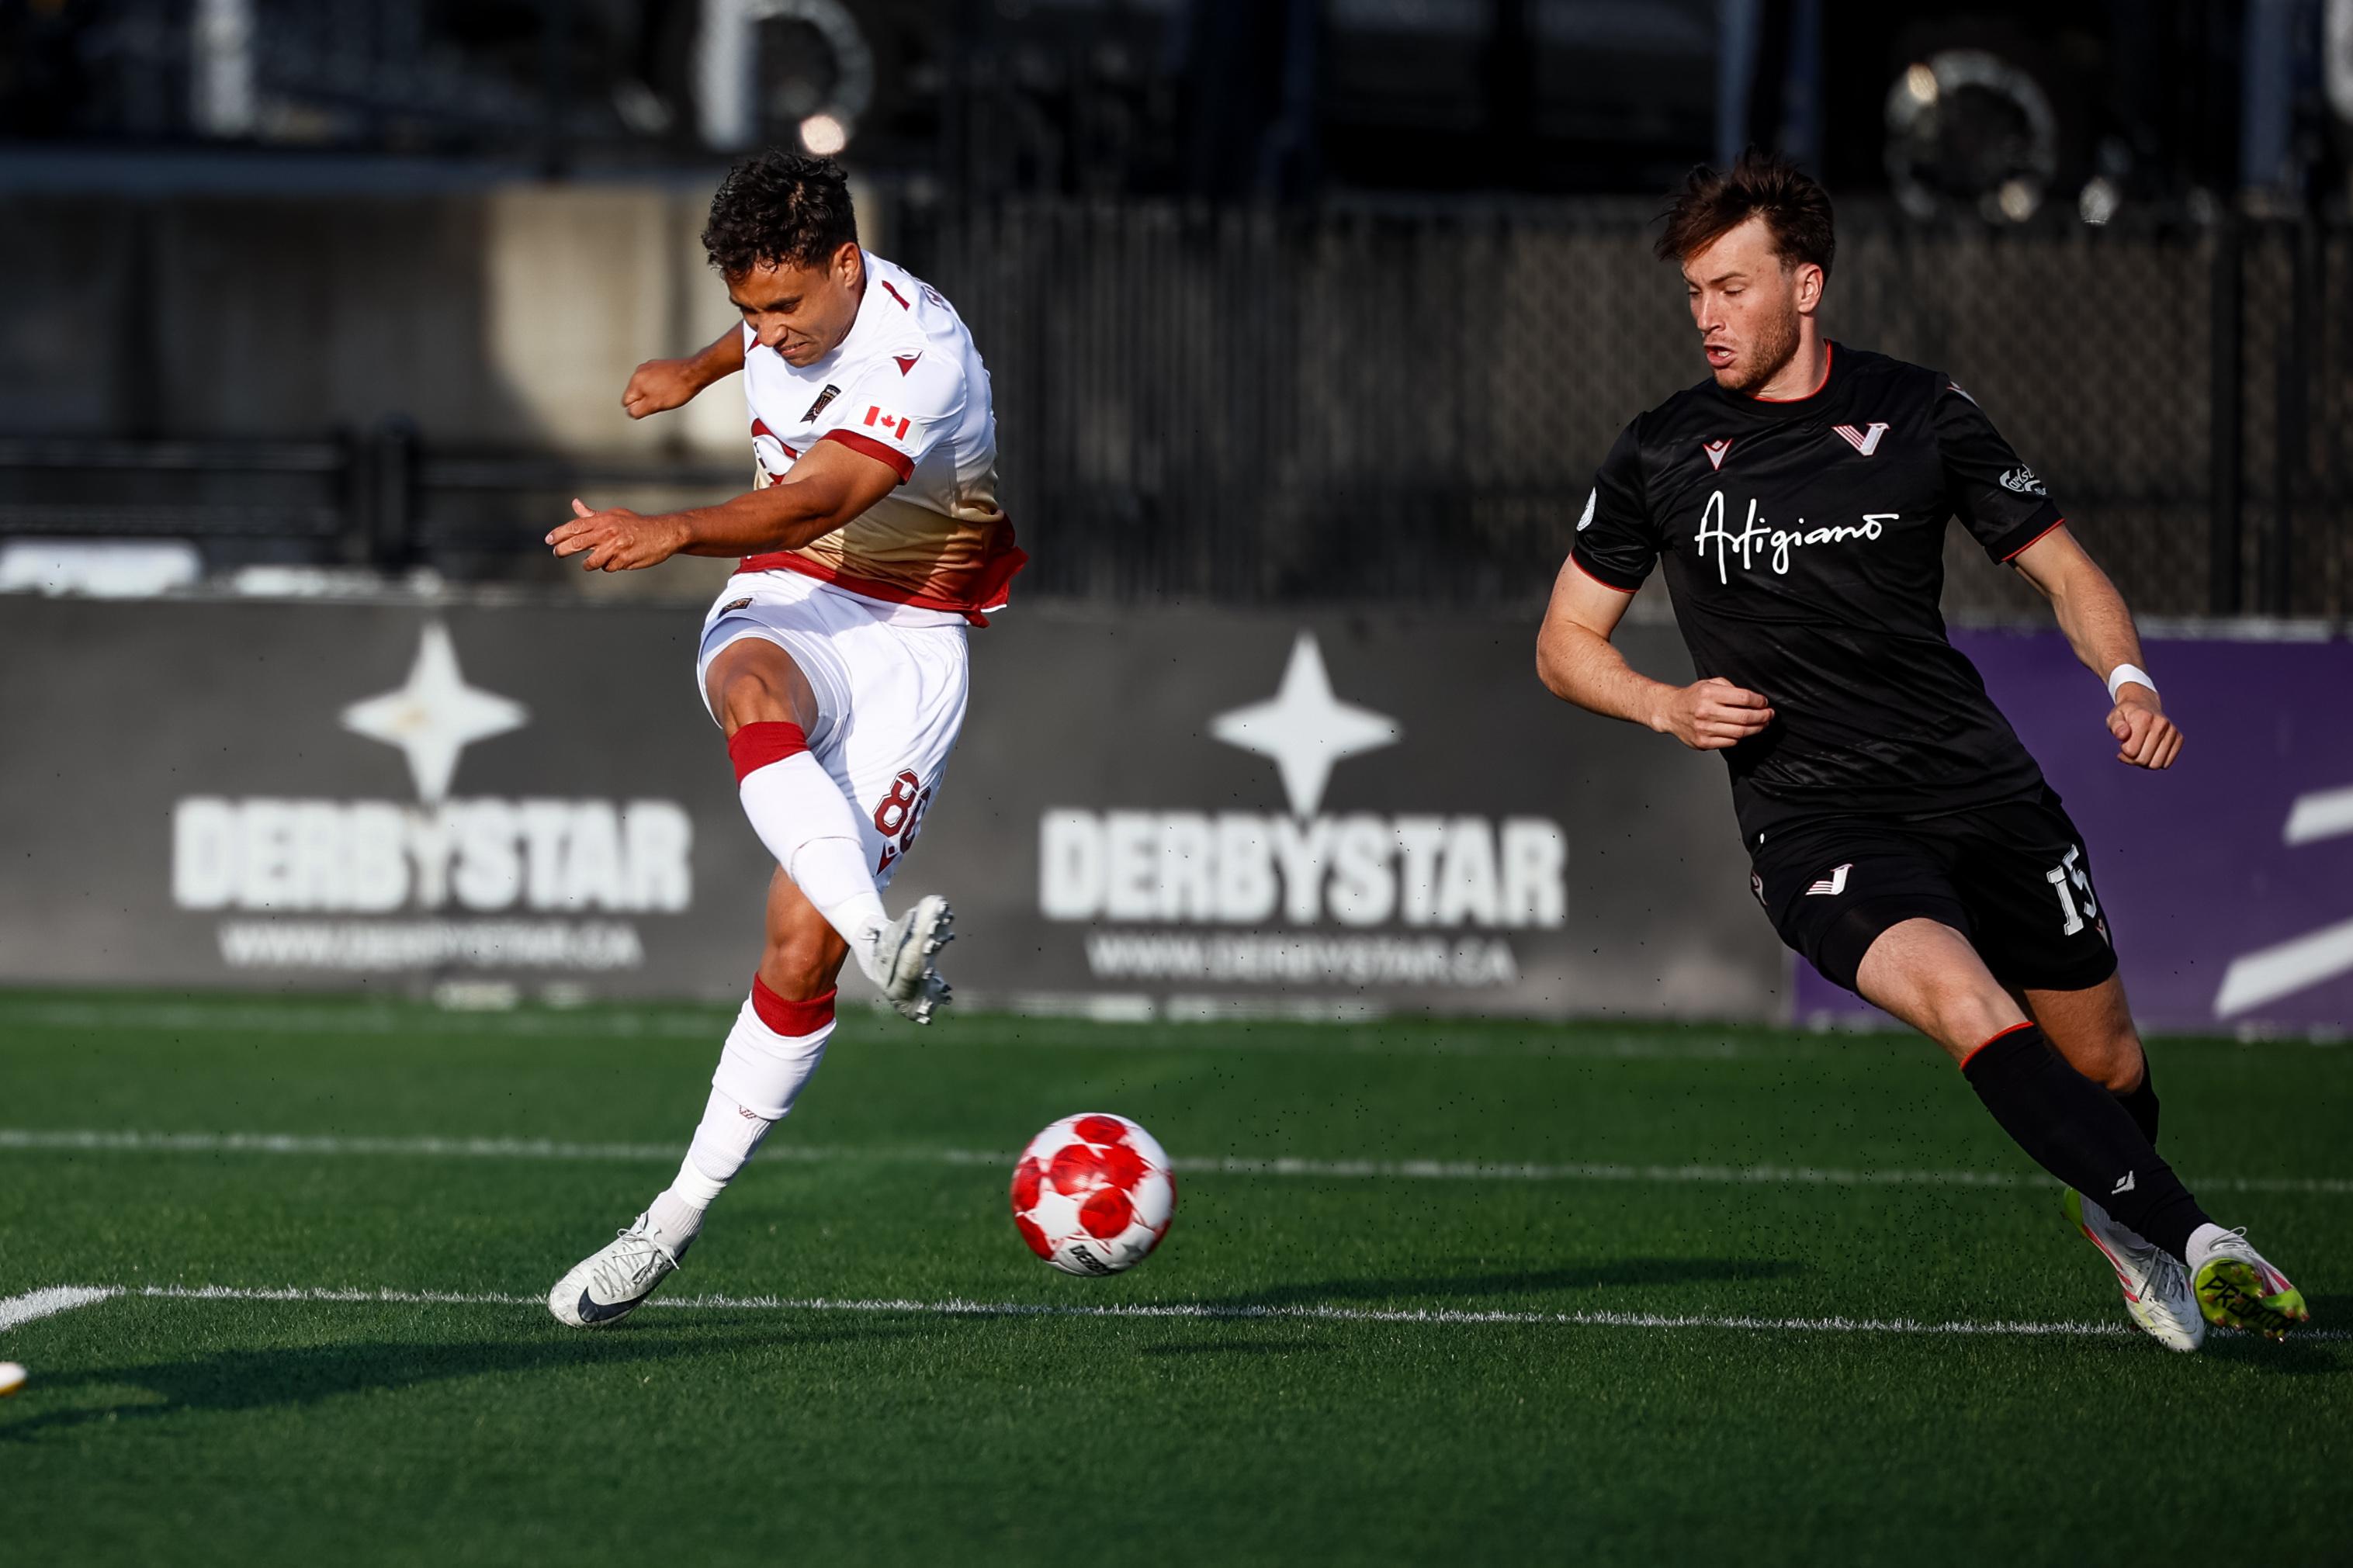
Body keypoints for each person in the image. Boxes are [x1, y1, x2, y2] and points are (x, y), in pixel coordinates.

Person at [1534, 150, 2305, 1349]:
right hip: (1817, 822)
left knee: (2108, 1067)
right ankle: (2197, 1238)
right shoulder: (1661, 450)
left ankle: (2119, 1214)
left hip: (1979, 787)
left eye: (1732, 287)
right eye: (1694, 293)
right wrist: (1666, 707)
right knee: (1964, 999)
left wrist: (2129, 680)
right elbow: (1563, 643)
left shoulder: (1920, 411)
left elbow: (2066, 570)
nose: (1707, 316)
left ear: (1806, 284)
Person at [540, 151, 1025, 1327]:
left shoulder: (923, 355)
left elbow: (818, 500)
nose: (769, 332)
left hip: (913, 637)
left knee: (798, 950)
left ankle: (682, 1210)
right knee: (751, 687)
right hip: (791, 594)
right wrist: (697, 369)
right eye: (745, 309)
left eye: (784, 306)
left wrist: (671, 529)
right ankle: (879, 943)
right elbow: (765, 344)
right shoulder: (786, 311)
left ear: (848, 265)